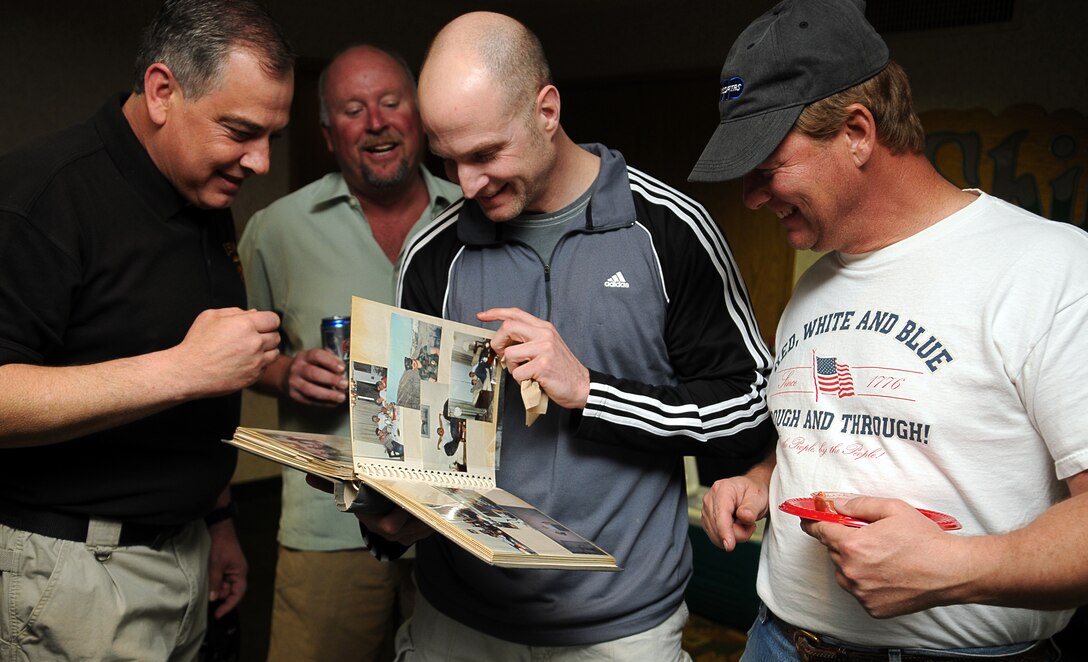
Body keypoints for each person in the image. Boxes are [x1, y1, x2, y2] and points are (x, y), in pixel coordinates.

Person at [356, 11, 776, 661]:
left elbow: (749, 408)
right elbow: (415, 447)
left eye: (485, 153)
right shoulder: (433, 253)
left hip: (622, 626)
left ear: (546, 110)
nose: (465, 184)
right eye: (450, 160)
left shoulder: (668, 230)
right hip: (459, 621)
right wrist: (385, 512)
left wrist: (591, 393)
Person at [692, 0, 1088, 660]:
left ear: (857, 131)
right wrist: (764, 478)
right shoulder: (817, 280)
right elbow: (832, 428)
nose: (754, 198)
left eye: (766, 169)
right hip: (775, 640)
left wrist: (955, 568)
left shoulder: (1052, 268)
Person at [0, 0, 293, 659]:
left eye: (272, 135)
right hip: (71, 573)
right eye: (241, 131)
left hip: (184, 550)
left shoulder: (201, 197)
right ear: (163, 91)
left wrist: (215, 521)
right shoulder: (43, 194)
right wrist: (184, 367)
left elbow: (190, 403)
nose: (261, 162)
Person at [238, 44, 459, 662]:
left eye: (391, 103)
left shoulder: (474, 218)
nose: (377, 122)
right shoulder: (277, 231)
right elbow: (237, 356)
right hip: (328, 523)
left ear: (419, 115)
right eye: (354, 110)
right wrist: (285, 372)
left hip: (457, 524)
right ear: (330, 134)